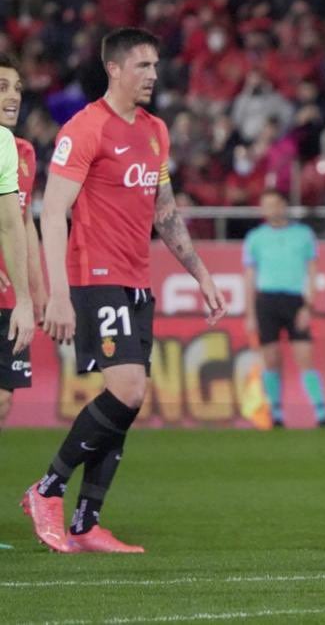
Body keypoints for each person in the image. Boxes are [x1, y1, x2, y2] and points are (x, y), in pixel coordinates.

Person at [23, 28, 226, 554]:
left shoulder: (156, 130)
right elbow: (52, 209)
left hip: (137, 279)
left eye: (156, 65)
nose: (153, 75)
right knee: (128, 390)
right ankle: (47, 491)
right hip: (96, 276)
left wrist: (201, 275)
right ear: (114, 69)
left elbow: (165, 213)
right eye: (142, 66)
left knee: (129, 403)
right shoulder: (86, 127)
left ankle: (87, 522)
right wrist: (58, 294)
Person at [243, 188, 325, 428]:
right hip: (266, 301)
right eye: (265, 205)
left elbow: (312, 273)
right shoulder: (255, 237)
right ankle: (276, 414)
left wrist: (308, 306)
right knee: (271, 359)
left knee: (305, 357)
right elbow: (249, 278)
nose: (269, 209)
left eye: (273, 204)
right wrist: (250, 313)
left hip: (294, 301)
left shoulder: (303, 234)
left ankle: (322, 414)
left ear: (283, 205)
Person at [0, 54, 46, 431]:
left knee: (3, 398)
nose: (12, 97)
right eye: (2, 88)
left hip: (9, 295)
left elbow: (23, 221)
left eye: (16, 88)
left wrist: (37, 285)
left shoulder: (23, 152)